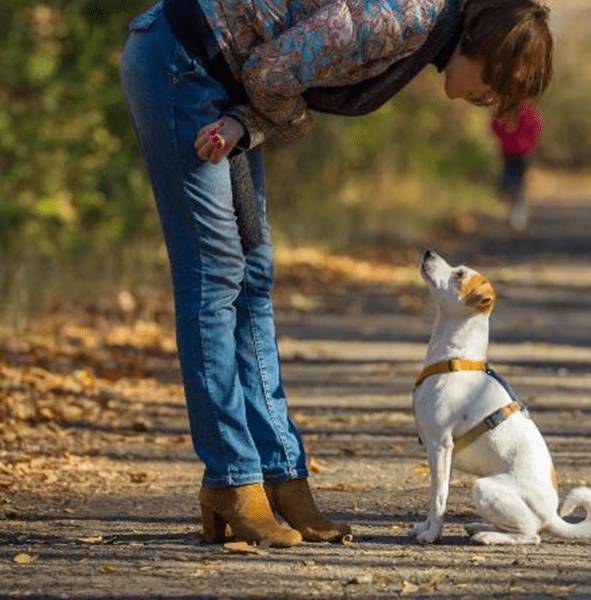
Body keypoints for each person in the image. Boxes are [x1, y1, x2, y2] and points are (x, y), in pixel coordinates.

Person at [120, 0, 553, 547]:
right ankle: (231, 478)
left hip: (228, 89)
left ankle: (279, 473)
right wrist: (260, 122)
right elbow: (273, 75)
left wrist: (245, 122)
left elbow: (275, 78)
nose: (489, 104)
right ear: (482, 47)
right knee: (213, 278)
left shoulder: (423, 33)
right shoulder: (400, 18)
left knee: (253, 275)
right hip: (180, 62)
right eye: (496, 88)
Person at [491, 101, 543, 230]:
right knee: (520, 183)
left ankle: (513, 206)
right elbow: (536, 127)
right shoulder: (529, 110)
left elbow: (494, 126)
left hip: (509, 149)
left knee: (512, 178)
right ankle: (518, 217)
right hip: (524, 151)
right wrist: (530, 142)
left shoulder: (504, 109)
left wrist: (505, 138)